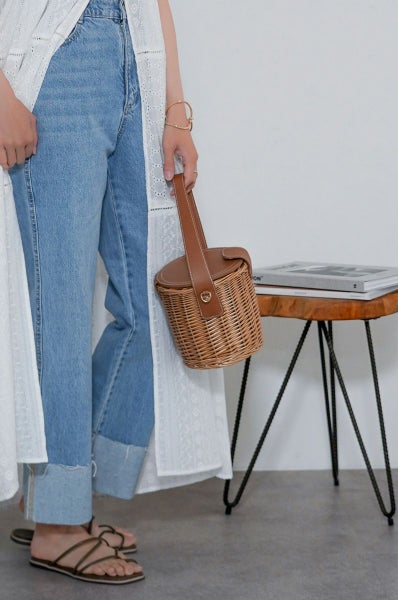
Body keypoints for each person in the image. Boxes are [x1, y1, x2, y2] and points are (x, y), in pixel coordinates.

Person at [0, 0, 232, 585]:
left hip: (138, 55)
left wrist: (176, 109)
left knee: (152, 298)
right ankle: (58, 523)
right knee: (59, 307)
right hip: (58, 65)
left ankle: (65, 497)